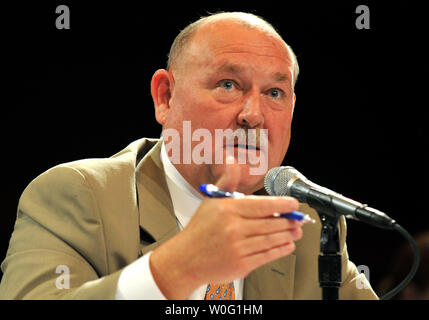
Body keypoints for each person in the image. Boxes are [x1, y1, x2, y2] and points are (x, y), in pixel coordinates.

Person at [0, 12, 377, 300]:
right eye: (228, 85)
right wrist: (176, 268)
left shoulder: (307, 221)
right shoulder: (79, 194)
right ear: (165, 97)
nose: (254, 115)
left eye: (275, 93)